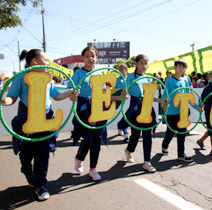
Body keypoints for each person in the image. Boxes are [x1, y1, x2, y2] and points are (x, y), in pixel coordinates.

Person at [0, 49, 78, 200]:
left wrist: (69, 92)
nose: (49, 63)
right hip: (27, 120)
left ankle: (40, 184)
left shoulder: (48, 78)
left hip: (45, 119)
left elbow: (56, 95)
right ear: (34, 61)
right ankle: (28, 171)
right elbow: (12, 98)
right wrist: (5, 101)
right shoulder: (21, 77)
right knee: (26, 154)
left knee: (43, 153)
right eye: (46, 60)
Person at [69, 47, 126, 181]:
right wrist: (72, 94)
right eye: (87, 56)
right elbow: (71, 90)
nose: (90, 58)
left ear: (97, 58)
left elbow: (107, 93)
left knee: (97, 139)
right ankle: (79, 157)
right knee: (88, 139)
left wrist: (120, 96)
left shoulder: (101, 73)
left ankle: (93, 169)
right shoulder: (78, 73)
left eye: (93, 56)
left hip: (100, 109)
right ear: (83, 58)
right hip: (84, 109)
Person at [120, 54, 166, 173]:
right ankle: (129, 151)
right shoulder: (130, 76)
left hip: (146, 110)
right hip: (135, 110)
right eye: (141, 63)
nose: (144, 65)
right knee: (135, 135)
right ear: (135, 63)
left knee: (147, 135)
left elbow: (148, 96)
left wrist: (160, 100)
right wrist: (124, 93)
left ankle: (147, 162)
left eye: (145, 63)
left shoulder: (148, 78)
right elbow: (125, 92)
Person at [161, 59, 196, 162]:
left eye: (183, 67)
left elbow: (189, 96)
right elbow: (165, 94)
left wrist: (197, 106)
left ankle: (181, 154)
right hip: (172, 111)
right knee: (170, 132)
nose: (181, 69)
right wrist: (164, 103)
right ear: (175, 68)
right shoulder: (169, 80)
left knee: (182, 133)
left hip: (183, 111)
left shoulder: (186, 80)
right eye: (179, 66)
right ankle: (164, 145)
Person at [116, 64, 130, 142]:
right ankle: (120, 129)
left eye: (122, 69)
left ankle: (126, 134)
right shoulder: (117, 80)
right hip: (120, 100)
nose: (120, 71)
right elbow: (114, 90)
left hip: (129, 101)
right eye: (119, 69)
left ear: (126, 70)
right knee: (120, 116)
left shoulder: (130, 79)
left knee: (125, 117)